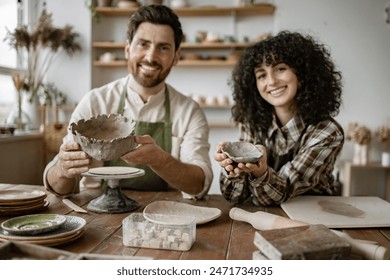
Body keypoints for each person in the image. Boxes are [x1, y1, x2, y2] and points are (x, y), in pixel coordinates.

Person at [43, 5, 212, 199]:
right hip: (96, 211)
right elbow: (57, 186)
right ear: (127, 50)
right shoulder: (95, 102)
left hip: (167, 213)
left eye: (163, 48)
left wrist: (159, 160)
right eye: (143, 44)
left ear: (176, 57)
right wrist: (63, 170)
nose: (150, 57)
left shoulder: (189, 112)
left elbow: (199, 185)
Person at [214, 31, 344, 206]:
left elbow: (280, 193)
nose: (272, 82)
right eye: (262, 75)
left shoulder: (327, 132)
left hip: (316, 218)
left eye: (280, 69)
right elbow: (234, 197)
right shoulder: (252, 124)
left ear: (303, 73)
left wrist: (260, 173)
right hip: (266, 218)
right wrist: (233, 167)